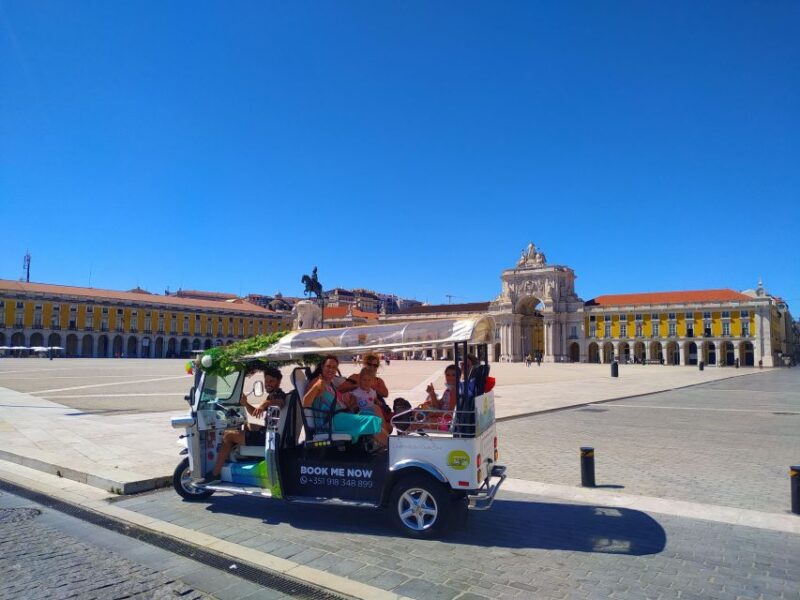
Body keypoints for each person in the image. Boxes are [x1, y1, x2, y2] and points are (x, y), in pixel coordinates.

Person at [200, 366, 286, 484]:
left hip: (269, 437)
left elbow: (280, 403)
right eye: (266, 381)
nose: (268, 384)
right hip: (271, 432)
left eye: (272, 381)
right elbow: (255, 413)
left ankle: (215, 473)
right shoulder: (273, 395)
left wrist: (265, 403)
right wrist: (245, 403)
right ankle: (245, 458)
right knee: (247, 425)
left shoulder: (279, 396)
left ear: (279, 381)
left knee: (227, 436)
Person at [303, 355, 383, 443]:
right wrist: (316, 386)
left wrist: (351, 403)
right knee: (372, 421)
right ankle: (391, 446)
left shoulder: (331, 384)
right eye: (328, 366)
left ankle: (385, 444)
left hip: (340, 416)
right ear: (322, 367)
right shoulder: (316, 382)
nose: (331, 370)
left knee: (370, 413)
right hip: (330, 421)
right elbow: (305, 403)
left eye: (334, 367)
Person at [340, 368, 390, 449]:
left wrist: (378, 402)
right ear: (360, 380)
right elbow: (351, 406)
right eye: (364, 380)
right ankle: (385, 439)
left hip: (372, 412)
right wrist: (353, 405)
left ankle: (383, 438)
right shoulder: (356, 393)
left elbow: (374, 399)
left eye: (369, 380)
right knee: (376, 412)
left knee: (377, 411)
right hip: (362, 413)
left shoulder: (372, 391)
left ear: (372, 381)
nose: (367, 382)